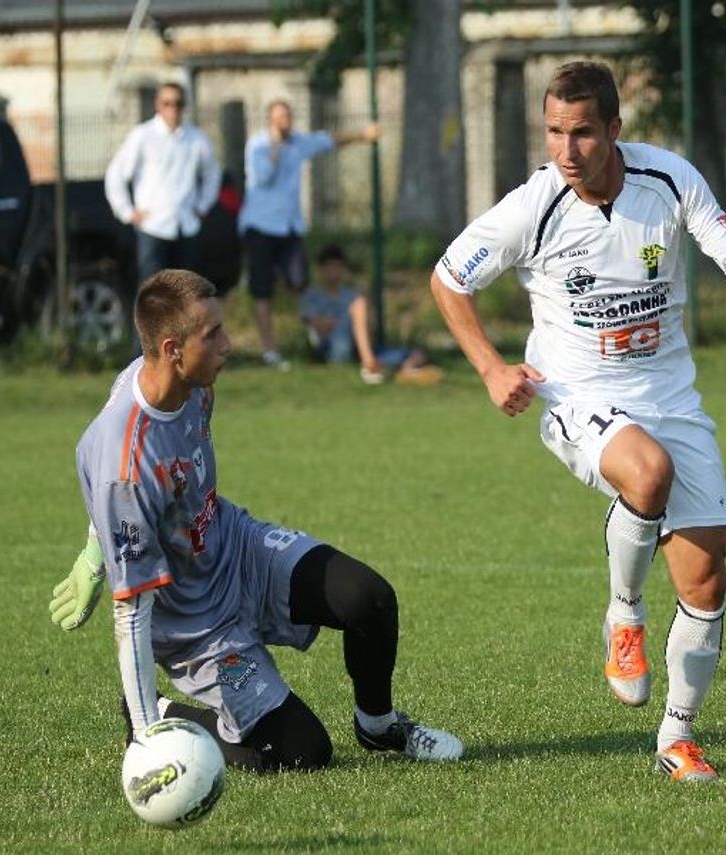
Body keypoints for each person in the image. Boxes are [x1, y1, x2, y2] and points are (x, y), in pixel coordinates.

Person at [429, 61, 726, 783]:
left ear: (615, 129)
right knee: (647, 473)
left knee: (707, 577)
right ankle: (624, 615)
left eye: (582, 132)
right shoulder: (534, 206)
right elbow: (449, 278)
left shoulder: (667, 177)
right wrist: (492, 369)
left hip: (669, 394)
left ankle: (677, 738)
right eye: (554, 132)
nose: (566, 149)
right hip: (576, 391)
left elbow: (717, 231)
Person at [49, 268, 463, 772]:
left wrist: (95, 549)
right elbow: (132, 611)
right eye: (213, 335)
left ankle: (378, 726)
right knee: (304, 753)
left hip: (237, 548)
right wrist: (145, 734)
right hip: (197, 628)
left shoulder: (192, 385)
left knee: (369, 599)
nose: (228, 344)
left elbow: (123, 482)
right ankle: (164, 715)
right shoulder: (127, 464)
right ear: (172, 350)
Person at [238, 100, 381, 370]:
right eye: (279, 117)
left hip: (289, 226)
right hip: (260, 226)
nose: (285, 121)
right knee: (262, 291)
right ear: (270, 120)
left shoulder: (298, 143)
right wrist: (276, 147)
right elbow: (263, 177)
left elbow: (328, 141)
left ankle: (314, 331)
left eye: (287, 116)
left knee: (299, 281)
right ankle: (270, 350)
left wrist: (363, 134)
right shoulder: (258, 146)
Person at [105, 82, 222, 285]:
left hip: (186, 225)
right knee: (154, 292)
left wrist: (202, 206)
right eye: (167, 103)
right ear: (158, 105)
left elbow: (212, 174)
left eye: (178, 103)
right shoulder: (143, 136)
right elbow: (116, 174)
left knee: (185, 292)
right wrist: (126, 211)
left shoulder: (197, 139)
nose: (173, 109)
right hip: (153, 226)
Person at [301, 244, 443, 385]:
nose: (334, 271)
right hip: (333, 347)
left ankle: (405, 372)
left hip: (358, 346)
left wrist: (360, 326)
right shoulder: (312, 296)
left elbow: (369, 330)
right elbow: (319, 326)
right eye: (330, 266)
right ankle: (370, 363)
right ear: (321, 269)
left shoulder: (350, 294)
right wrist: (352, 320)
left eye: (337, 266)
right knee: (359, 305)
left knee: (416, 353)